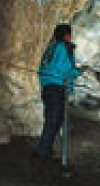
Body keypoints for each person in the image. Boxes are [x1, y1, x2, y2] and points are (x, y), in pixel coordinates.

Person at [34, 24, 87, 159]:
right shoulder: (62, 47)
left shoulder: (51, 48)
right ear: (66, 35)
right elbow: (64, 68)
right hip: (56, 86)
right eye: (69, 34)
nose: (71, 37)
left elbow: (49, 67)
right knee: (54, 119)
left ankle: (46, 148)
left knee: (53, 119)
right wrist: (79, 71)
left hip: (48, 86)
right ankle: (42, 151)